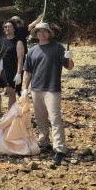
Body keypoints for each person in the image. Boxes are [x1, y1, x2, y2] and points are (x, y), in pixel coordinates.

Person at [22, 22, 74, 165]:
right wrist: (24, 89)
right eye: (39, 31)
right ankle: (44, 142)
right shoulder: (32, 51)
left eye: (45, 31)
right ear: (36, 34)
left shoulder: (58, 48)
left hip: (52, 89)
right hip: (36, 89)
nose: (42, 34)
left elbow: (69, 67)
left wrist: (69, 58)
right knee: (40, 118)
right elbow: (28, 71)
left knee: (55, 119)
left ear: (49, 33)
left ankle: (60, 149)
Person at [0, 20, 25, 107]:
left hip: (12, 70)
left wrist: (19, 73)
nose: (7, 28)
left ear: (14, 29)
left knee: (11, 92)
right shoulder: (1, 40)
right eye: (5, 27)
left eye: (10, 27)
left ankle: (10, 115)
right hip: (1, 70)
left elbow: (20, 58)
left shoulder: (18, 42)